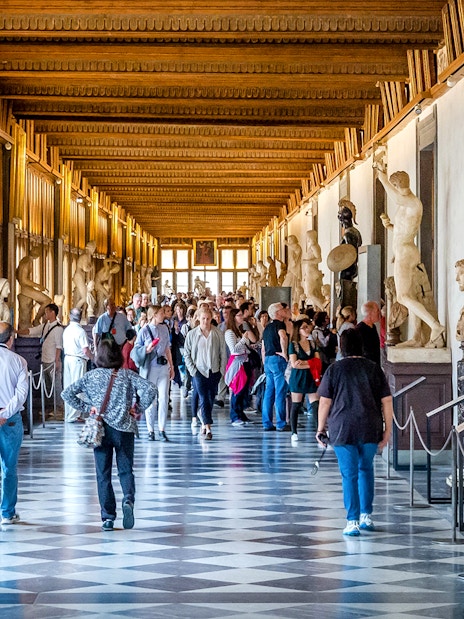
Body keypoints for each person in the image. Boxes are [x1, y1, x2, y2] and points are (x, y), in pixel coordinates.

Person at [61, 338, 156, 531]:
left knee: (103, 474)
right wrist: (138, 408)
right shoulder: (127, 375)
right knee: (125, 469)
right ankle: (128, 499)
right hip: (124, 429)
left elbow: (67, 393)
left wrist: (89, 408)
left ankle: (108, 517)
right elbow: (150, 388)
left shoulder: (91, 376)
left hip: (100, 429)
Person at [316, 329, 393, 536]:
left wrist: (320, 428)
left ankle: (352, 521)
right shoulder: (373, 368)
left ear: (341, 346)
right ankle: (366, 515)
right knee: (366, 469)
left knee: (348, 474)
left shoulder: (335, 369)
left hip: (342, 426)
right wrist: (388, 430)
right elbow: (386, 401)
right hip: (370, 425)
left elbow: (324, 401)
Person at [375, 164, 445, 348]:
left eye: (395, 186)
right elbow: (403, 229)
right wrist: (389, 226)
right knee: (412, 295)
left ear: (399, 186)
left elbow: (398, 198)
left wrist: (381, 177)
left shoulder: (412, 202)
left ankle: (435, 326)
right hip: (404, 250)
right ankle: (417, 337)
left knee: (403, 297)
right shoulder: (406, 204)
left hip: (406, 252)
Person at [183, 305, 227, 440]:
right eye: (203, 319)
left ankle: (203, 422)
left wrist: (221, 371)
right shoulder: (192, 334)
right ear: (198, 319)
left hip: (213, 370)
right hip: (199, 371)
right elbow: (187, 354)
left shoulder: (218, 334)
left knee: (210, 398)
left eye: (208, 319)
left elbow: (223, 353)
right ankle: (208, 428)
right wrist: (193, 371)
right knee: (202, 396)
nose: (206, 322)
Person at [0, 322, 28, 525]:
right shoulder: (19, 361)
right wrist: (4, 414)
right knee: (9, 468)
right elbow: (20, 396)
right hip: (9, 421)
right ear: (10, 339)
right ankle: (7, 512)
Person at [132, 305, 174, 442]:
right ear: (154, 315)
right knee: (151, 400)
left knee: (164, 398)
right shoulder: (144, 331)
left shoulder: (164, 329)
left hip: (163, 367)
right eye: (162, 313)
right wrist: (147, 349)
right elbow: (136, 349)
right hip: (151, 368)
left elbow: (167, 348)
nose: (164, 315)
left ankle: (162, 429)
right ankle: (151, 430)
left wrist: (172, 366)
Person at [18, 302, 64, 419]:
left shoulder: (58, 328)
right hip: (45, 360)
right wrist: (16, 332)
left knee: (56, 385)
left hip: (53, 361)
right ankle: (49, 407)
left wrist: (57, 360)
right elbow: (31, 331)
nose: (45, 314)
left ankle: (59, 408)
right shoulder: (45, 326)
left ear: (53, 312)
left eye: (47, 312)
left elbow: (59, 346)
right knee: (47, 386)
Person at [261, 302, 292, 432]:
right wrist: (285, 353)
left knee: (269, 392)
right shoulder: (280, 324)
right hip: (278, 359)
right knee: (280, 391)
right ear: (277, 313)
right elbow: (283, 337)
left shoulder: (266, 328)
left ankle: (267, 423)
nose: (285, 310)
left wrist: (264, 362)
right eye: (283, 309)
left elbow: (263, 348)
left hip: (268, 359)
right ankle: (280, 423)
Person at [224, 308, 257, 426]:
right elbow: (234, 349)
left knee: (244, 390)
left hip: (246, 361)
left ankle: (241, 413)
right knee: (237, 389)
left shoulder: (239, 330)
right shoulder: (229, 333)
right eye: (239, 315)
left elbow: (249, 343)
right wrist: (244, 339)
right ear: (234, 318)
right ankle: (234, 416)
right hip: (237, 364)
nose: (242, 317)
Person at [288, 319, 319, 443]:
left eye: (308, 327)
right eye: (304, 327)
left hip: (311, 377)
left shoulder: (313, 344)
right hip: (298, 378)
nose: (307, 329)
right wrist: (311, 363)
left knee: (316, 405)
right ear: (298, 330)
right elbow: (294, 364)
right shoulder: (293, 345)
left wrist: (305, 363)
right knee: (296, 405)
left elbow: (318, 362)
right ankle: (294, 431)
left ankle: (319, 430)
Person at [62, 308, 93, 423]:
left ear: (70, 316)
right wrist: (93, 357)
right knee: (77, 388)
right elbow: (85, 350)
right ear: (81, 317)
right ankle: (74, 415)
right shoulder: (80, 331)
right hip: (78, 360)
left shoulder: (67, 330)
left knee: (68, 387)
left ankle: (69, 414)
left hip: (68, 358)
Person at [16, 247, 52, 327]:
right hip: (26, 289)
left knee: (45, 301)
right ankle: (36, 320)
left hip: (26, 288)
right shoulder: (27, 262)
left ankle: (41, 319)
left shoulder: (24, 260)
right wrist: (38, 286)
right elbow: (23, 280)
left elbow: (17, 274)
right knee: (47, 300)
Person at [355, 301, 381, 365]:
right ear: (370, 313)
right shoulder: (359, 329)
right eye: (377, 310)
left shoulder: (373, 327)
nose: (379, 313)